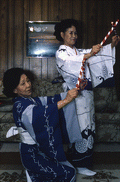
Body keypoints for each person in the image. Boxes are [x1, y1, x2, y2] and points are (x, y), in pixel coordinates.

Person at [54, 19, 120, 176]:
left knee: (89, 127)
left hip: (87, 97)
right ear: (62, 34)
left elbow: (91, 57)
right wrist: (89, 54)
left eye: (75, 33)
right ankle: (78, 164)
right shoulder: (62, 53)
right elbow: (72, 62)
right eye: (71, 32)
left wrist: (110, 46)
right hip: (74, 97)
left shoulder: (78, 51)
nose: (74, 36)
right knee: (78, 129)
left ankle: (84, 163)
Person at [3, 67, 82, 182]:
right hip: (31, 155)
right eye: (23, 83)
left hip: (40, 149)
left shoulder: (30, 100)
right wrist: (66, 100)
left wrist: (67, 95)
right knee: (68, 173)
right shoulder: (19, 105)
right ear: (15, 89)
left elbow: (50, 101)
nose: (28, 85)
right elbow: (39, 114)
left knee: (69, 169)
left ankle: (35, 175)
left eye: (28, 81)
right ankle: (34, 174)